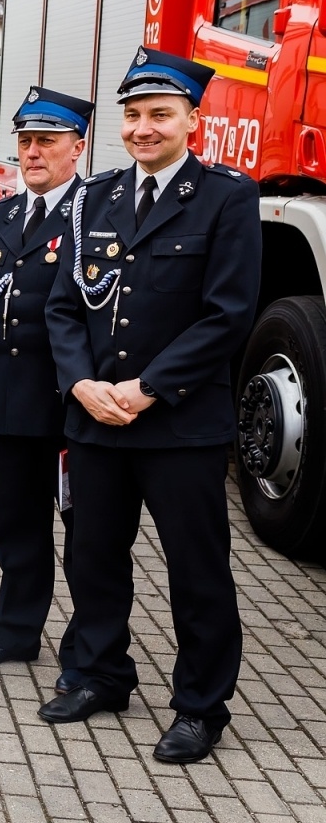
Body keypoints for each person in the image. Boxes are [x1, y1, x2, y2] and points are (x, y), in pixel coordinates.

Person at [42, 47, 260, 765]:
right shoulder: (94, 198)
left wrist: (146, 389)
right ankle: (102, 674)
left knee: (197, 571)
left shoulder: (228, 198)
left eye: (159, 115)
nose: (143, 129)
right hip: (96, 418)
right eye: (133, 116)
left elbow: (226, 315)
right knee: (93, 557)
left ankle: (201, 706)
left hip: (177, 424)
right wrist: (80, 385)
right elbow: (64, 308)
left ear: (192, 121)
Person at [0, 86, 91, 678]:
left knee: (85, 531)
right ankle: (16, 631)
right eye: (26, 142)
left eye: (47, 142)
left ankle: (88, 647)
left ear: (76, 148)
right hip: (8, 399)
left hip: (70, 404)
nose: (33, 153)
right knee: (14, 523)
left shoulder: (95, 211)